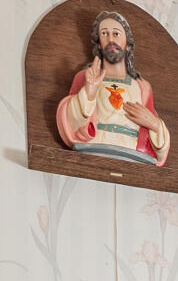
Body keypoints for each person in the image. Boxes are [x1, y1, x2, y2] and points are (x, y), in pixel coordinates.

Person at [54, 10, 171, 166]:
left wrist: (155, 125)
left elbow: (160, 152)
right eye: (104, 34)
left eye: (116, 34)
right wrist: (89, 92)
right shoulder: (86, 78)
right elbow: (70, 124)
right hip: (95, 146)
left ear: (128, 45)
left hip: (134, 153)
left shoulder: (142, 87)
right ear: (98, 43)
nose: (110, 39)